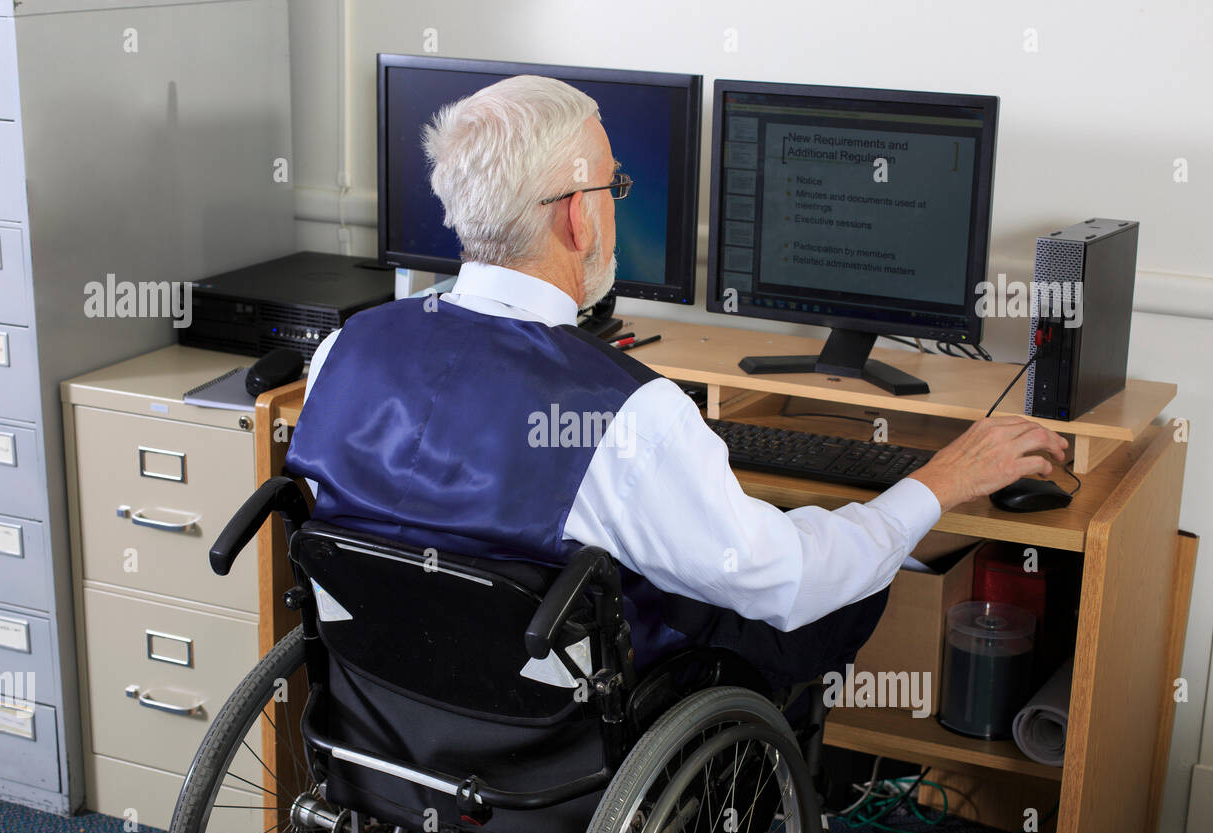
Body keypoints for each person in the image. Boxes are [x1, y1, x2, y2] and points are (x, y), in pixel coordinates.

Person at [284, 75, 1067, 702]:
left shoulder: (345, 351)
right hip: (565, 721)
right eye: (612, 188)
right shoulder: (629, 413)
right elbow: (788, 584)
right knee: (840, 576)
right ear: (579, 222)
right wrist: (938, 483)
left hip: (396, 704)